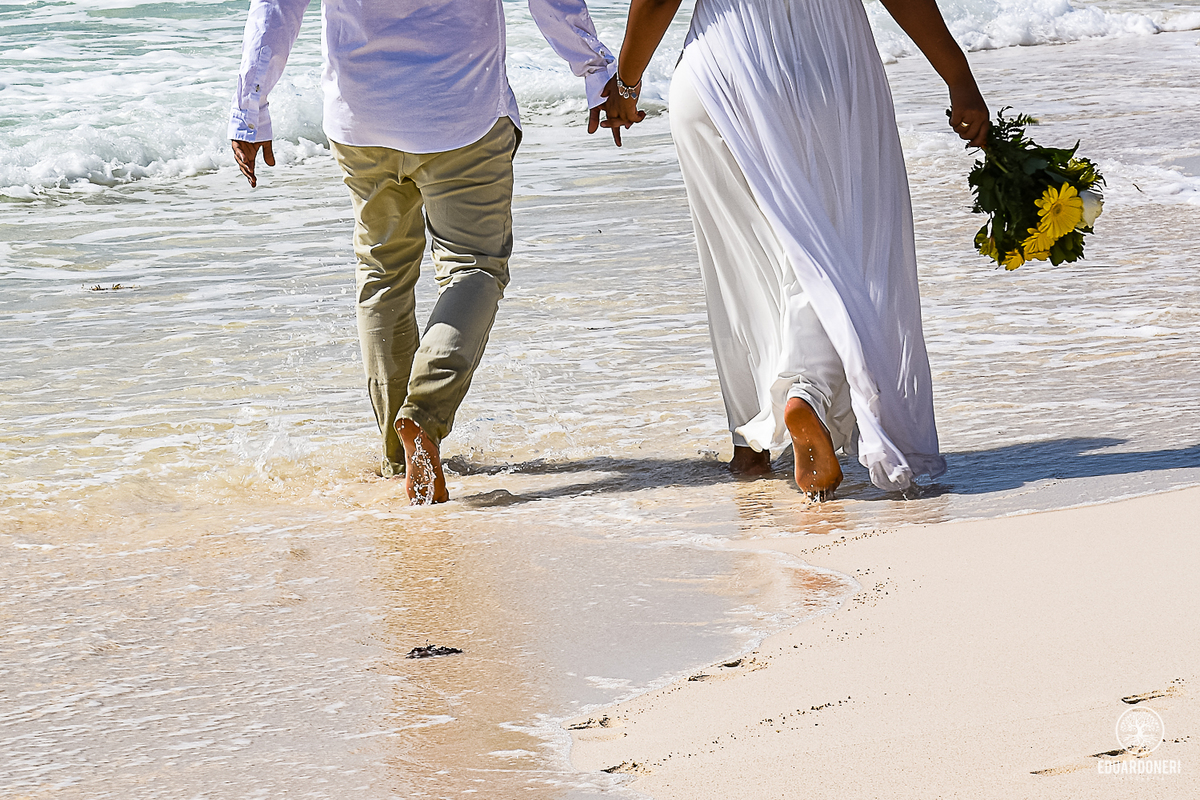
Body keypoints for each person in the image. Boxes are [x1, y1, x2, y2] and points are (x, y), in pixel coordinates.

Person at [229, 0, 630, 504]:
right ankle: (421, 417)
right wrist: (598, 71)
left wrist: (250, 107)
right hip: (462, 112)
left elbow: (277, 7)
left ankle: (399, 459)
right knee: (474, 268)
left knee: (382, 275)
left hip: (362, 120)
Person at [606, 0, 990, 499]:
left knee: (738, 268)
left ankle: (750, 445)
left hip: (713, 76)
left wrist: (626, 82)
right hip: (821, 69)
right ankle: (806, 393)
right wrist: (958, 78)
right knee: (832, 251)